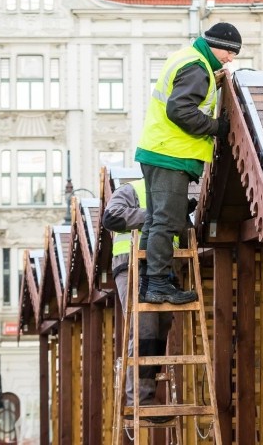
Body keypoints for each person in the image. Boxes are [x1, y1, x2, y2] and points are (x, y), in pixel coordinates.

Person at [134, 22, 240, 304]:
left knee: (156, 221)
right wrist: (217, 127)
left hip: (158, 150)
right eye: (230, 52)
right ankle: (157, 284)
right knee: (166, 222)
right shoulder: (197, 67)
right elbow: (180, 110)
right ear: (216, 46)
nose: (231, 58)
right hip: (171, 155)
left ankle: (148, 283)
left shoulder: (190, 59)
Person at [103, 178, 194, 422]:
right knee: (144, 328)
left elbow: (183, 239)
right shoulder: (131, 190)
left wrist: (183, 217)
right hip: (132, 265)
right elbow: (111, 218)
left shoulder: (174, 197)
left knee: (159, 329)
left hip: (163, 272)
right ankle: (140, 400)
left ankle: (147, 395)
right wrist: (156, 215)